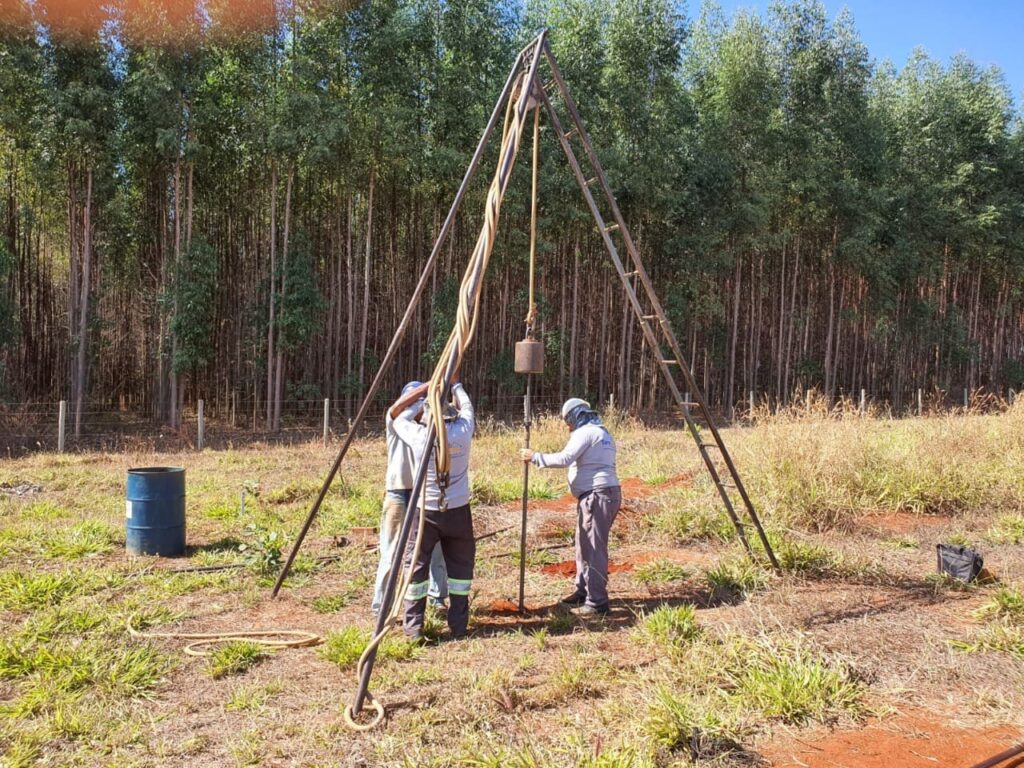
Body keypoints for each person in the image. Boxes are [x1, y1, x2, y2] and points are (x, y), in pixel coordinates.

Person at [521, 397, 621, 616]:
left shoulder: (586, 432)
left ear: (577, 416)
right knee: (584, 545)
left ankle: (596, 602)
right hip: (602, 494)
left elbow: (565, 458)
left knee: (593, 548)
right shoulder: (602, 432)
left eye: (568, 421)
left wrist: (535, 457)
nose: (568, 426)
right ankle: (583, 591)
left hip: (597, 496)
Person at [392, 379, 475, 640]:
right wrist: (456, 386)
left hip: (425, 512)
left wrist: (422, 400)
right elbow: (468, 407)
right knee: (460, 569)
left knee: (416, 568)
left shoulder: (419, 437)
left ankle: (413, 628)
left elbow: (396, 418)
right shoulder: (463, 430)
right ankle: (459, 626)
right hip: (458, 510)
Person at [371, 381, 448, 619]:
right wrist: (428, 387)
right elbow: (396, 410)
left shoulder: (428, 427)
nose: (417, 407)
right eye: (413, 402)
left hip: (424, 494)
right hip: (399, 493)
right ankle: (382, 607)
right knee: (392, 552)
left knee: (435, 548)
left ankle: (437, 597)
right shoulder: (395, 422)